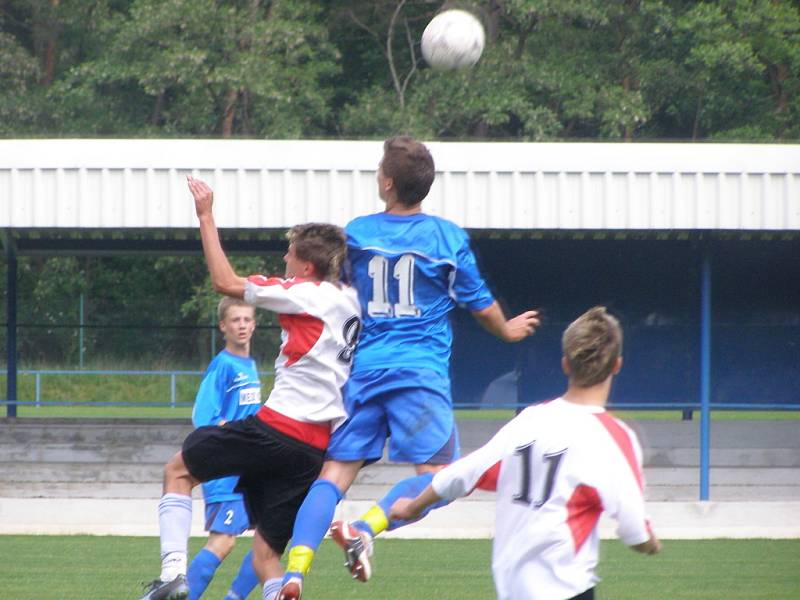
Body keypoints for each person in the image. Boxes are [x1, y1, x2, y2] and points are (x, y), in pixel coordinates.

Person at [278, 136, 540, 600]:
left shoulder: (356, 233)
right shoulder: (446, 237)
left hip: (362, 373)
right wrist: (507, 330)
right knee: (438, 478)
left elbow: (329, 293)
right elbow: (479, 304)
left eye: (381, 169)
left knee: (333, 476)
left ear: (389, 183)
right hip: (419, 375)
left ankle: (294, 572)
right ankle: (364, 528)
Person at [140, 176, 361, 600]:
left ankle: (172, 575)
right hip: (313, 449)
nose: (285, 260)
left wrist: (205, 216)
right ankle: (281, 592)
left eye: (290, 255)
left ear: (307, 267)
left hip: (278, 428)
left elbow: (224, 281)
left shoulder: (305, 293)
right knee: (264, 556)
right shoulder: (351, 300)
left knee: (177, 470)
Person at [390, 306, 661, 600]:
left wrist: (411, 508)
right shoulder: (613, 437)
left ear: (565, 364)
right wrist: (651, 544)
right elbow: (635, 532)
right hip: (567, 590)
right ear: (617, 365)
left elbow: (460, 474)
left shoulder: (529, 420)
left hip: (513, 590)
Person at [186, 297, 261, 600]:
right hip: (228, 472)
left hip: (250, 470)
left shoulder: (250, 364)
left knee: (274, 535)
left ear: (254, 324)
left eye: (246, 320)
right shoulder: (223, 365)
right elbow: (202, 417)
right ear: (223, 327)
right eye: (235, 320)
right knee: (223, 542)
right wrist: (232, 441)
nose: (241, 325)